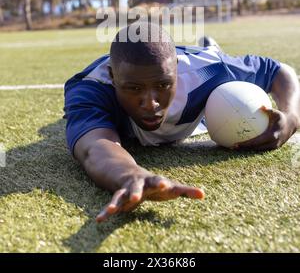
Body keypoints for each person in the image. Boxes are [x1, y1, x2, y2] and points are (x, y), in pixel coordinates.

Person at [64, 23, 300, 222]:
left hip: (199, 67)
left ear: (177, 70)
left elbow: (280, 71)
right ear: (113, 77)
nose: (151, 104)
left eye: (163, 85)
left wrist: (292, 116)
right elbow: (94, 146)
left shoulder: (211, 70)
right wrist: (129, 174)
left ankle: (211, 47)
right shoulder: (90, 89)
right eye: (134, 89)